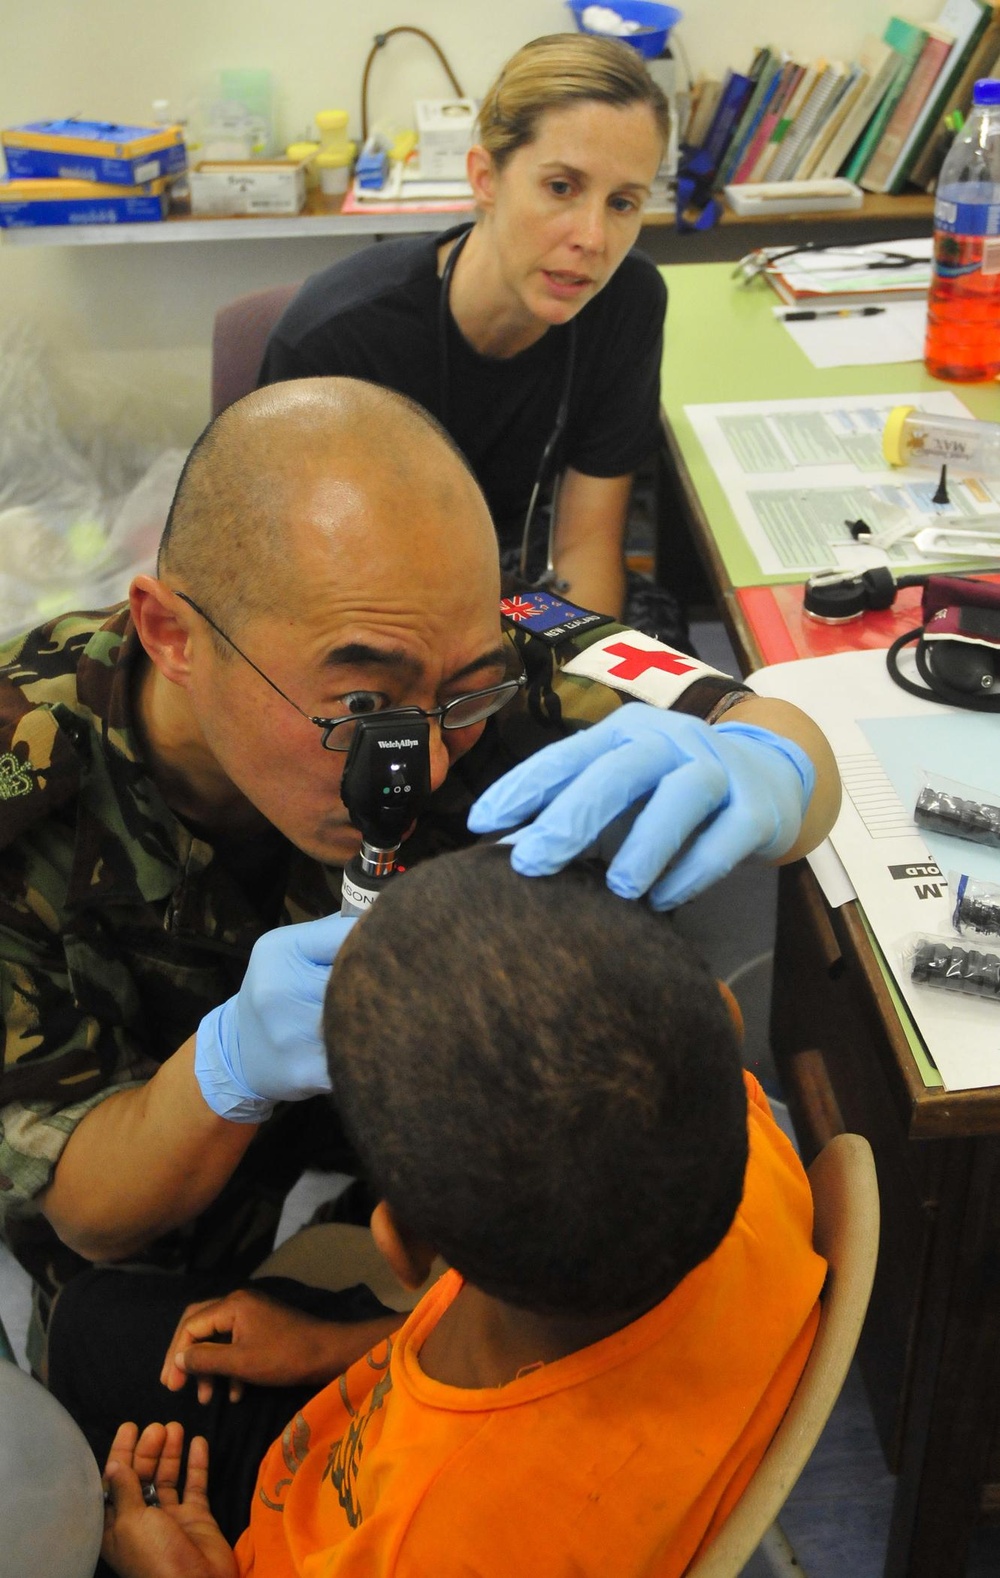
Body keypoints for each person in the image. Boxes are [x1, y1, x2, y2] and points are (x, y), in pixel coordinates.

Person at [4, 377, 836, 1390]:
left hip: (419, 1118)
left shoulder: (464, 638)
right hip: (155, 1161)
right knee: (143, 1382)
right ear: (172, 636)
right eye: (364, 699)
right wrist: (223, 1067)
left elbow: (773, 727)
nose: (431, 764)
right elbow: (91, 1209)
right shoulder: (25, 777)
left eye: (465, 691)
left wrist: (769, 770)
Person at [99, 844, 828, 1578]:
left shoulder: (440, 1545)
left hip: (292, 1533)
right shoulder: (734, 1136)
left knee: (88, 1355)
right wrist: (331, 1346)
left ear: (405, 1247)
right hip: (398, 1397)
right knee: (96, 1325)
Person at [258, 33, 681, 636]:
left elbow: (586, 547)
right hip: (370, 616)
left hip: (527, 597)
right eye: (561, 188)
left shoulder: (628, 303)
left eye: (622, 203)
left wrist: (568, 696)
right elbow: (299, 592)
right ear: (485, 177)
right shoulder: (338, 342)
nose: (593, 238)